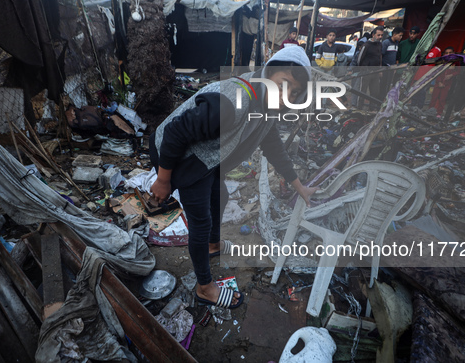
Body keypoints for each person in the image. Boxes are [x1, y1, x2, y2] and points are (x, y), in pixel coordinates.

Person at [149, 47, 317, 309]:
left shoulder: (267, 106)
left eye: (294, 93)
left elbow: (273, 147)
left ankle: (213, 246)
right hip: (180, 157)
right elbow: (174, 132)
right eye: (284, 86)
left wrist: (299, 186)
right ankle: (204, 287)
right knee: (200, 221)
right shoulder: (232, 102)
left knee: (221, 195)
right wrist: (162, 180)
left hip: (207, 158)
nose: (286, 97)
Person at [357, 26, 384, 109]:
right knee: (362, 91)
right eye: (378, 35)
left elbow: (379, 57)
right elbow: (359, 59)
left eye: (381, 35)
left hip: (375, 72)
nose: (380, 37)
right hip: (366, 72)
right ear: (373, 35)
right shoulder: (366, 45)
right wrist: (363, 69)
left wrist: (380, 70)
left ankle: (372, 109)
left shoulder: (379, 45)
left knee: (375, 92)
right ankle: (359, 108)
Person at [428, 47, 458, 116]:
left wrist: (451, 75)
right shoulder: (441, 61)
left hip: (447, 84)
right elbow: (436, 72)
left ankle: (439, 113)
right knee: (434, 98)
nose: (448, 54)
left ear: (453, 53)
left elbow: (458, 71)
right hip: (438, 83)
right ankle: (430, 112)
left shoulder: (456, 62)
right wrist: (439, 82)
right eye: (446, 53)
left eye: (450, 53)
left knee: (442, 99)